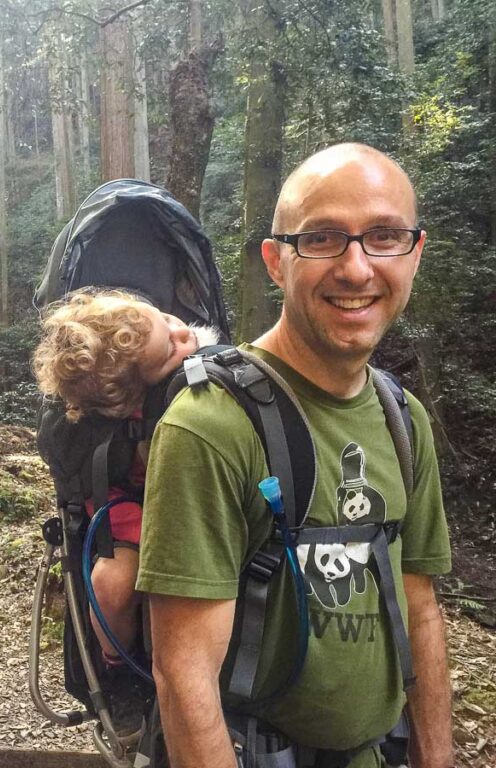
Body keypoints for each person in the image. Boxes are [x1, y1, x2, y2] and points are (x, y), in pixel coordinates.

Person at [137, 143, 453, 767]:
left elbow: (419, 607)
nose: (358, 269)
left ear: (415, 252)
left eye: (384, 236)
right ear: (276, 262)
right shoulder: (211, 426)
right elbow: (184, 674)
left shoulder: (403, 419)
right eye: (323, 238)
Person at [32, 289, 218, 667]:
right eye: (170, 351)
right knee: (110, 585)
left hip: (191, 498)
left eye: (166, 318)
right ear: (132, 399)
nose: (182, 334)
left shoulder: (208, 366)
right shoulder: (130, 414)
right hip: (126, 504)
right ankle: (116, 662)